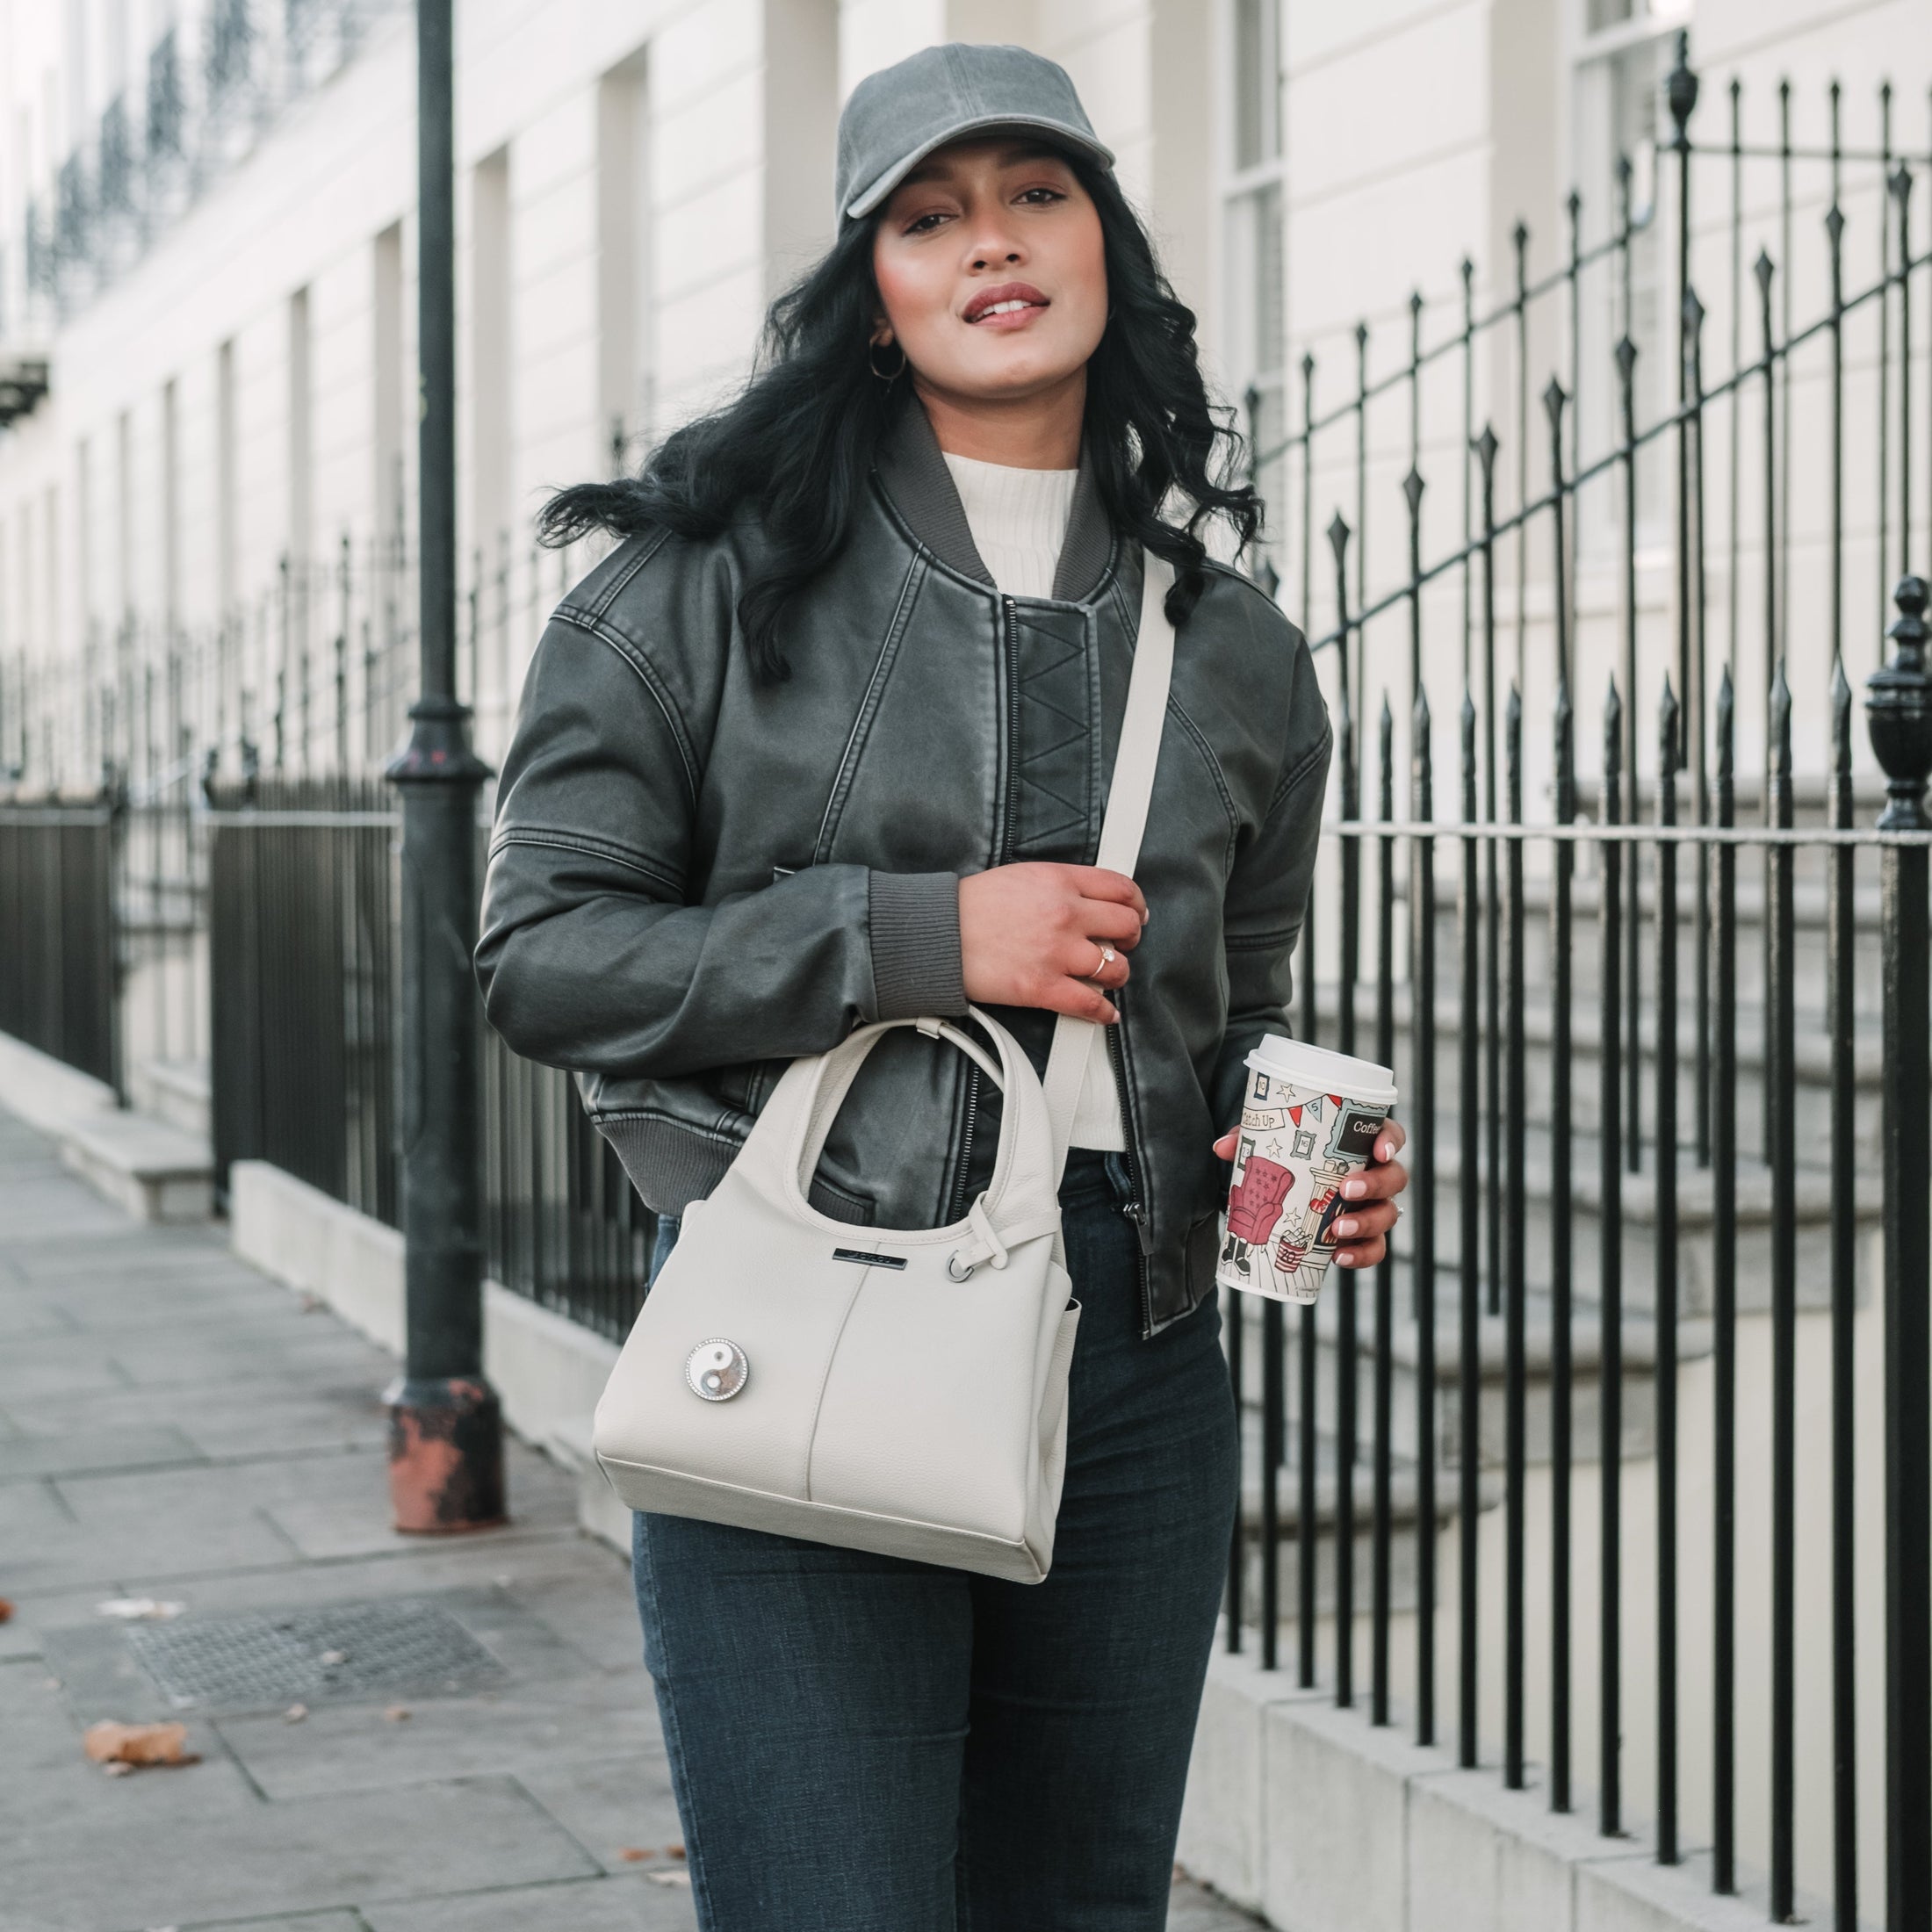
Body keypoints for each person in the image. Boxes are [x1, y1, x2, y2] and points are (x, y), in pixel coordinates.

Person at [475, 42, 1408, 1931]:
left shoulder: (1234, 651)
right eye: (927, 214)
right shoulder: (696, 592)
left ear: (1108, 255)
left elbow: (1219, 1011)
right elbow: (544, 956)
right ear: (870, 299)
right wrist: (918, 935)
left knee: (1075, 1907)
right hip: (807, 1293)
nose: (989, 242)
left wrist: (1287, 1161)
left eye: (1035, 195)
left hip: (1133, 1353)